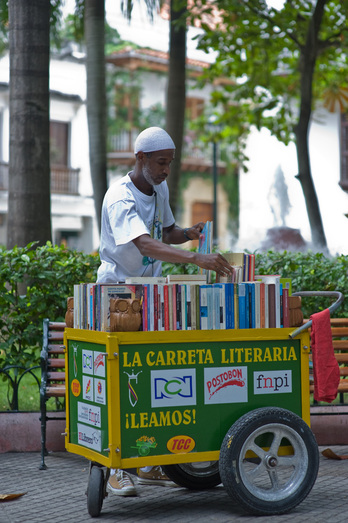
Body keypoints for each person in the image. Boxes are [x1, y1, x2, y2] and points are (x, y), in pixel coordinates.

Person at [97, 126, 233, 496]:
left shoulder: (159, 188)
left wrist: (188, 233)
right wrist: (197, 258)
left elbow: (164, 232)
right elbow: (144, 243)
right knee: (119, 380)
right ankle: (112, 467)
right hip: (118, 297)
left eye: (170, 163)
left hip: (151, 294)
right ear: (140, 159)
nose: (166, 170)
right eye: (161, 162)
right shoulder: (120, 198)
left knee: (150, 378)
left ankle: (148, 461)